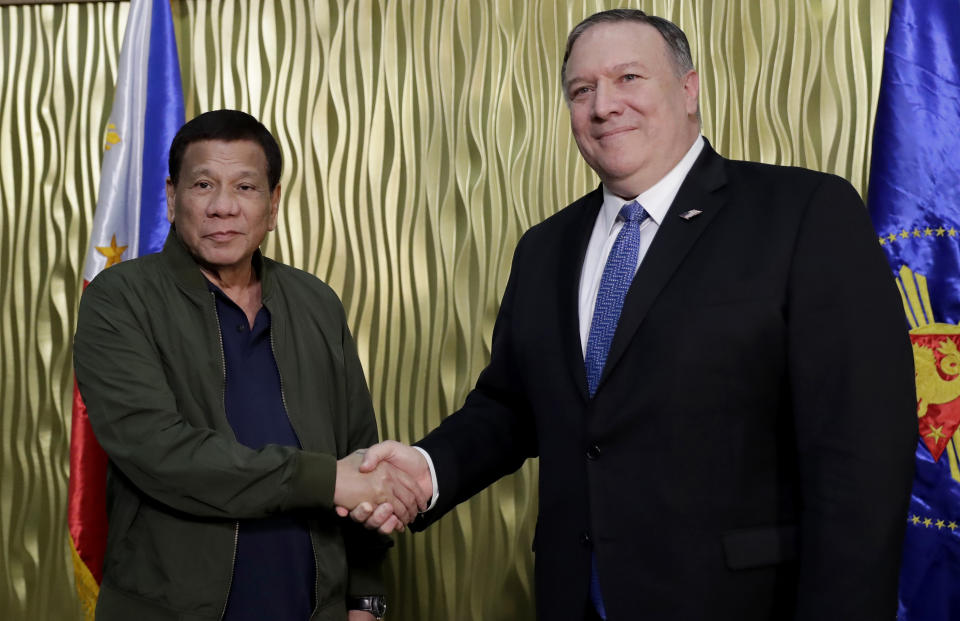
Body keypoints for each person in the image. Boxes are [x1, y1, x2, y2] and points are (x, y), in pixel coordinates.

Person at [346, 9, 918, 621]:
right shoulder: (544, 248)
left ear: (689, 88)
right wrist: (426, 469)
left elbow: (861, 456)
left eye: (628, 78)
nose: (604, 105)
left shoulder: (803, 212)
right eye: (582, 89)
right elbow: (511, 408)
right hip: (575, 599)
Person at [74, 110, 425, 620]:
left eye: (245, 187)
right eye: (203, 185)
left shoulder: (316, 302)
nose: (223, 207)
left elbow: (360, 452)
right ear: (172, 199)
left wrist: (365, 599)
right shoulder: (119, 300)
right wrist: (327, 480)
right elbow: (162, 453)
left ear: (273, 203)